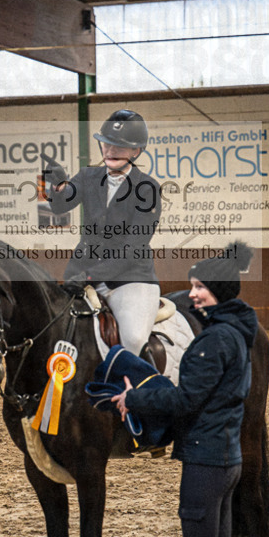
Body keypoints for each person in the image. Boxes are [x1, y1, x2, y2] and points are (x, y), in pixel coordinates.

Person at [112, 243, 264, 537]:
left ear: (215, 291)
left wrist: (133, 398)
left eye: (198, 287)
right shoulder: (238, 332)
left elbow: (183, 402)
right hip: (228, 459)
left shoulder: (213, 341)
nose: (191, 294)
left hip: (204, 463)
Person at [44, 109, 161, 356]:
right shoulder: (88, 176)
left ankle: (135, 390)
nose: (109, 151)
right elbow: (60, 205)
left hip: (129, 280)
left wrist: (90, 276)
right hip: (81, 274)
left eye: (119, 146)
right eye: (106, 144)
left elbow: (132, 249)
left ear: (136, 151)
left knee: (133, 337)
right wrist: (57, 185)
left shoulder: (147, 188)